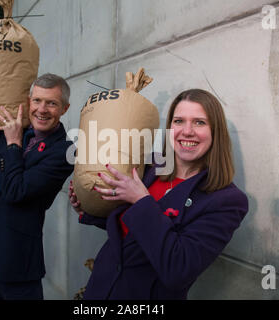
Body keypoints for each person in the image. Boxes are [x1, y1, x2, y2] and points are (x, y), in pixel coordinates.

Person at [69, 89, 249, 299]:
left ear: (215, 131)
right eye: (179, 121)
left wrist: (141, 200)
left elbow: (178, 269)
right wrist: (89, 209)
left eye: (199, 122)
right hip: (100, 289)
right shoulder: (150, 167)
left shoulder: (226, 201)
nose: (187, 131)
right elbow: (128, 229)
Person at [0, 59, 74, 300]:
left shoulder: (64, 152)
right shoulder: (17, 129)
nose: (42, 109)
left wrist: (13, 145)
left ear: (64, 108)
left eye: (52, 103)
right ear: (28, 101)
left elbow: (17, 190)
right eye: (37, 100)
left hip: (14, 257)